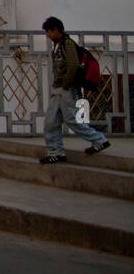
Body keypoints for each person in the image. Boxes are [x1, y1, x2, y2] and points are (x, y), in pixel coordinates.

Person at [40, 16, 110, 163]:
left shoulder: (67, 44)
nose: (48, 35)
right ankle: (56, 153)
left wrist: (66, 84)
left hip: (66, 89)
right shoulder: (58, 45)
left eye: (49, 31)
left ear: (56, 30)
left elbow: (72, 65)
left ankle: (99, 140)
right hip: (58, 89)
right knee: (51, 122)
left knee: (72, 120)